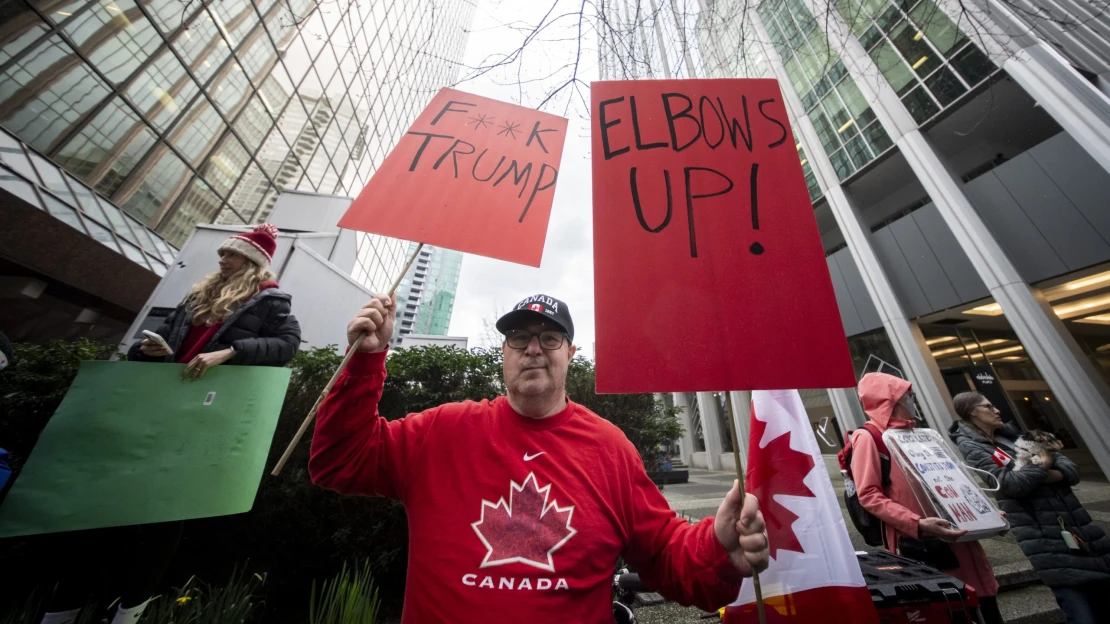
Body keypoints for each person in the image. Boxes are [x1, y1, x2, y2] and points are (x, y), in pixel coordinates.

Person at [309, 293, 770, 622]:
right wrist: (365, 361)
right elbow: (340, 460)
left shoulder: (609, 449)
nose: (532, 348)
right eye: (519, 338)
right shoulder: (442, 431)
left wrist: (718, 548)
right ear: (504, 355)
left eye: (550, 338)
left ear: (571, 353)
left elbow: (666, 553)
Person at [39, 224, 301, 624]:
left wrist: (231, 352)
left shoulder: (271, 302)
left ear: (250, 262)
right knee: (103, 507)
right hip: (156, 404)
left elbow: (286, 346)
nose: (221, 259)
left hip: (201, 415)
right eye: (223, 254)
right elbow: (148, 344)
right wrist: (146, 350)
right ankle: (66, 608)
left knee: (165, 514)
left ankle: (130, 613)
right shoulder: (199, 294)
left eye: (230, 254)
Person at [851, 373, 1003, 624]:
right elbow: (868, 494)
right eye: (905, 395)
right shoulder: (869, 437)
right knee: (953, 608)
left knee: (986, 607)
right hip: (926, 545)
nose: (912, 400)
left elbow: (953, 479)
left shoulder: (922, 435)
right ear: (889, 400)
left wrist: (984, 513)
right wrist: (916, 523)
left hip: (961, 539)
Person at [949, 392, 1110, 624]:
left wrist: (1038, 470)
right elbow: (1010, 484)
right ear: (972, 412)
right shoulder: (972, 446)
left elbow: (1070, 469)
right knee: (1080, 610)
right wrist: (1043, 463)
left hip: (1079, 526)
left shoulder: (1013, 434)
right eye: (988, 406)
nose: (997, 410)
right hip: (1043, 534)